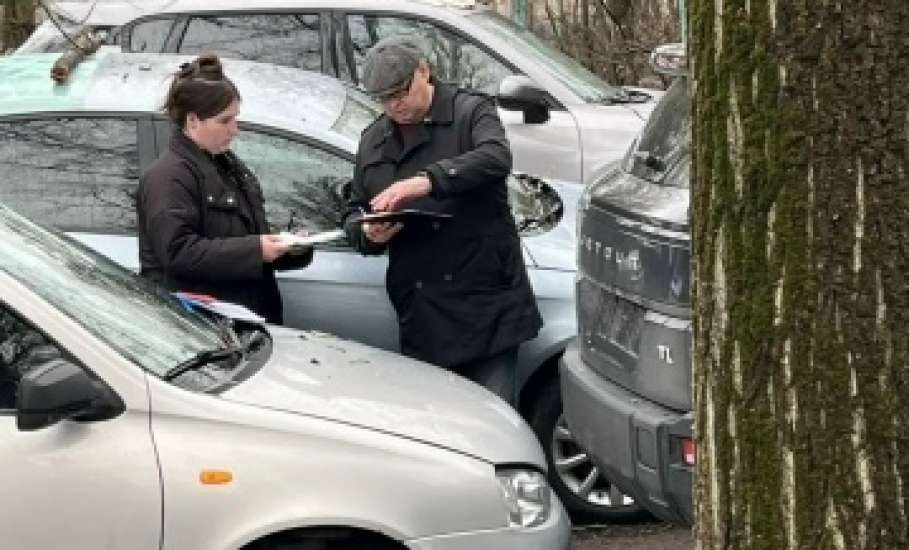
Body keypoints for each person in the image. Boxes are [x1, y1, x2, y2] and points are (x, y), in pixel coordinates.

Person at [343, 36, 542, 405]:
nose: (394, 105)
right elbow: (354, 210)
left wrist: (427, 181)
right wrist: (370, 233)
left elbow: (496, 157)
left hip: (484, 303)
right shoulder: (373, 140)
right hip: (423, 311)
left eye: (400, 92)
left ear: (423, 71)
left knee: (493, 424)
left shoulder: (470, 112)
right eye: (383, 99)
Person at [137, 54, 311, 324]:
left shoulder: (227, 166)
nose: (235, 129)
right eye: (225, 121)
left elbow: (244, 237)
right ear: (193, 120)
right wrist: (255, 250)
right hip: (204, 332)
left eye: (236, 118)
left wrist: (289, 248)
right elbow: (179, 253)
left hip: (246, 323)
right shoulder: (169, 177)